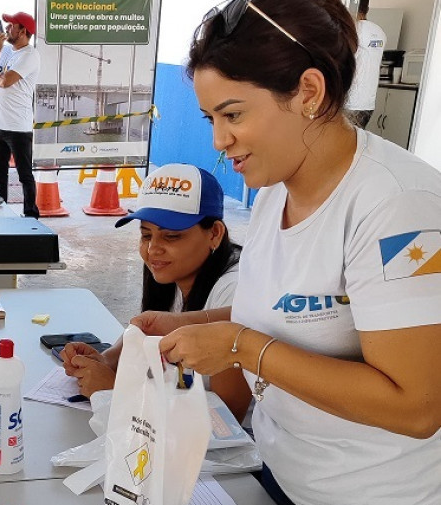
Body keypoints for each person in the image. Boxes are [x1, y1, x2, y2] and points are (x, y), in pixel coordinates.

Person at [157, 0, 441, 503]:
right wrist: (183, 325)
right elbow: (292, 312)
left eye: (233, 114)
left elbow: (417, 407)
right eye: (210, 118)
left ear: (309, 91)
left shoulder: (399, 207)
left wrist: (238, 345)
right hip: (277, 469)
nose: (220, 140)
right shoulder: (274, 193)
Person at [60, 164, 251, 422]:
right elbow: (147, 331)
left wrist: (118, 393)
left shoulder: (235, 291)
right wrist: (105, 361)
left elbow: (228, 418)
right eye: (145, 235)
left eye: (171, 237)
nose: (153, 250)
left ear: (215, 234)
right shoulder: (175, 272)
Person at [0, 12, 41, 218]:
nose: (6, 29)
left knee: (25, 175)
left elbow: (6, 81)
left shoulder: (30, 55)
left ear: (23, 31)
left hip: (18, 128)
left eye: (11, 26)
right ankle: (2, 214)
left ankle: (31, 215)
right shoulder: (5, 51)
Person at [345, 0, 386, 129]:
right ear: (367, 9)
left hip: (350, 102)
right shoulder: (380, 32)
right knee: (357, 138)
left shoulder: (354, 29)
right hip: (368, 103)